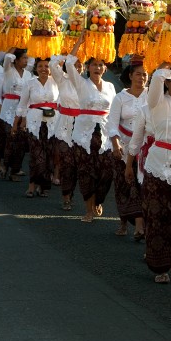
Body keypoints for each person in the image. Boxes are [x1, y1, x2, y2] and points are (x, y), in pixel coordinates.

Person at [143, 62, 171, 283]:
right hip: (158, 165)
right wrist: (165, 60)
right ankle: (159, 265)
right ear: (168, 82)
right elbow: (154, 85)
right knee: (157, 215)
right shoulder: (157, 102)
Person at [65, 32, 117, 222]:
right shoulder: (81, 83)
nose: (97, 67)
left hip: (104, 132)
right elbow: (69, 64)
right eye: (94, 64)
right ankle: (88, 210)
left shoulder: (111, 87)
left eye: (101, 64)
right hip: (83, 133)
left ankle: (98, 200)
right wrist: (79, 42)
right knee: (86, 172)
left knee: (105, 172)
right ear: (87, 67)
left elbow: (114, 112)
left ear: (105, 68)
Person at [108, 59, 148, 239]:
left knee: (139, 186)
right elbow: (112, 123)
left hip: (145, 148)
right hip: (123, 147)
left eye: (145, 74)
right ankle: (124, 221)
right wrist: (115, 144)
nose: (142, 77)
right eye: (138, 74)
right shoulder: (120, 97)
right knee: (123, 186)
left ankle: (139, 226)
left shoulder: (152, 96)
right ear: (130, 75)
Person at [14, 57, 58, 197]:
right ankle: (32, 186)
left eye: (46, 66)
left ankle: (43, 187)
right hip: (34, 123)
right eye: (40, 66)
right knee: (36, 155)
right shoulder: (30, 83)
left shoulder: (57, 82)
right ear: (36, 68)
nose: (43, 69)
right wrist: (17, 123)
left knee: (48, 156)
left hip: (52, 123)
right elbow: (22, 104)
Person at [49, 54, 81, 210]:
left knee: (78, 165)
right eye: (75, 64)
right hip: (64, 126)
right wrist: (68, 52)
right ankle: (66, 196)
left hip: (82, 128)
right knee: (67, 163)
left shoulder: (87, 85)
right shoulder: (62, 79)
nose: (77, 68)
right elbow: (53, 63)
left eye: (81, 65)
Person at [0, 49, 32, 178]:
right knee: (8, 138)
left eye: (27, 58)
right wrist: (16, 41)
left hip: (22, 109)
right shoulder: (8, 70)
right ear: (16, 59)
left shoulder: (28, 75)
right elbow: (6, 58)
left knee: (20, 140)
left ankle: (15, 168)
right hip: (8, 108)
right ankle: (4, 165)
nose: (26, 61)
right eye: (23, 58)